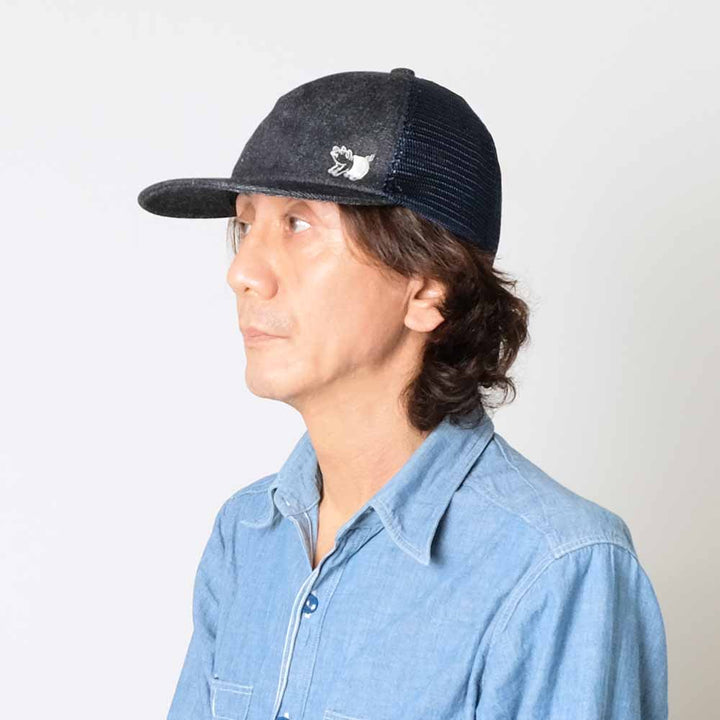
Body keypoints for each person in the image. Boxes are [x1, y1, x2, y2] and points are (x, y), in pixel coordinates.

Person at [138, 67, 668, 720]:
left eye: (298, 224)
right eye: (247, 226)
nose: (242, 272)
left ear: (427, 287)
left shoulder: (559, 569)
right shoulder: (246, 535)